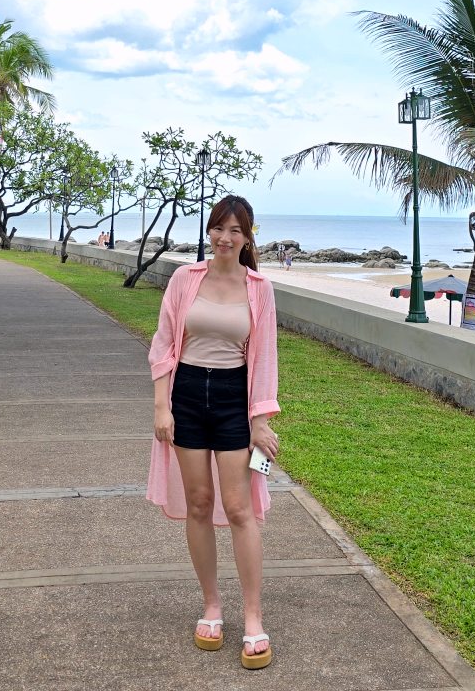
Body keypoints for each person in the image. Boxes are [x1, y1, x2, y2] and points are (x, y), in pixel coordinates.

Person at [147, 194, 280, 670]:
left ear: (247, 238)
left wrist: (259, 418)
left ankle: (252, 616)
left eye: (235, 231)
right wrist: (162, 406)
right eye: (218, 229)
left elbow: (264, 356)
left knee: (239, 507)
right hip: (185, 394)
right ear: (209, 232)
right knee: (199, 503)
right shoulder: (186, 278)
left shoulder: (259, 288)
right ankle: (211, 606)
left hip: (231, 400)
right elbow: (163, 344)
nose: (225, 238)